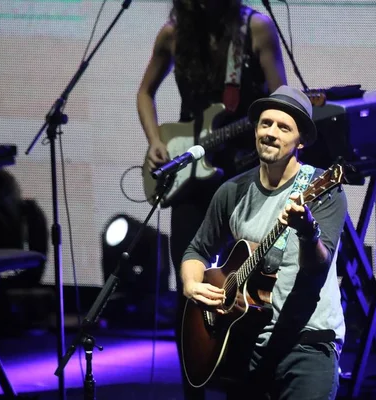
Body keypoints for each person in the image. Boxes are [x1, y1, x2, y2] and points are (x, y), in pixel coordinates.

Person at [136, 0, 286, 398]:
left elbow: (280, 100)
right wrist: (155, 141)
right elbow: (145, 93)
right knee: (188, 286)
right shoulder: (173, 33)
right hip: (190, 178)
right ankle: (194, 388)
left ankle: (242, 384)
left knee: (244, 283)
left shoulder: (255, 28)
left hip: (241, 172)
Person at [181, 85, 348, 399]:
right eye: (265, 124)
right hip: (246, 344)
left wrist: (306, 231)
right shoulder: (232, 191)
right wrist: (191, 285)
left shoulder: (320, 189)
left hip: (307, 345)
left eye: (283, 127)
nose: (271, 132)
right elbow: (197, 250)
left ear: (300, 140)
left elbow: (317, 267)